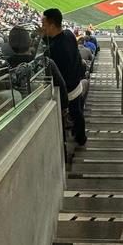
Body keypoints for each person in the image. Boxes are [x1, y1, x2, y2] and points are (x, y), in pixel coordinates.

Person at [42, 8, 86, 146]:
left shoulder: (53, 49)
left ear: (52, 25)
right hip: (75, 83)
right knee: (77, 112)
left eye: (44, 24)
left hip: (66, 90)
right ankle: (80, 137)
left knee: (73, 114)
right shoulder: (69, 34)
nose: (42, 27)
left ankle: (74, 141)